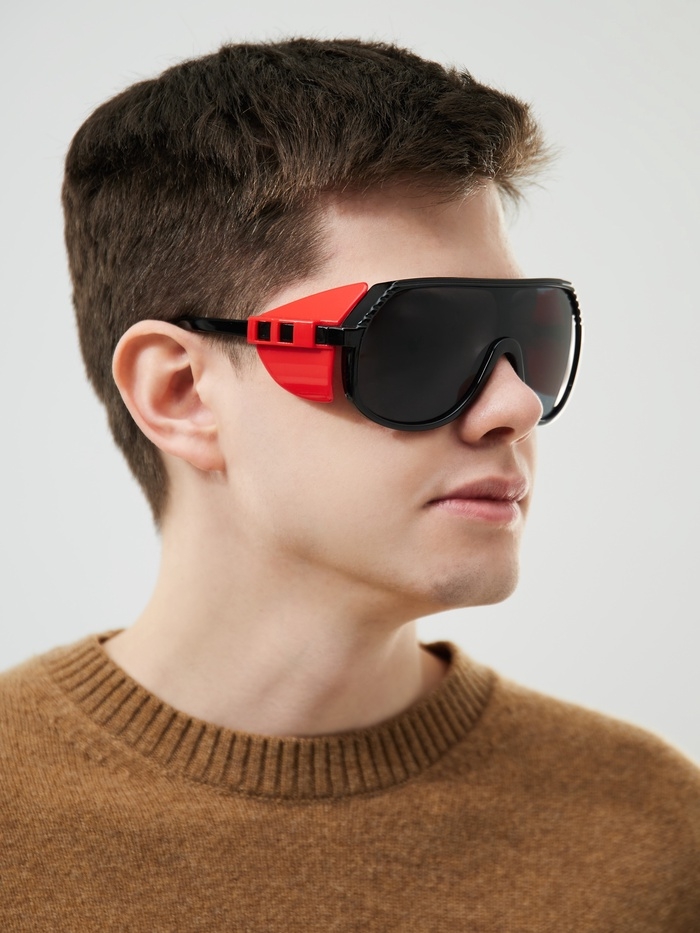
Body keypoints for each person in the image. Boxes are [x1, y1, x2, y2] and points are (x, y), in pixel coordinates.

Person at [1, 38, 698, 932]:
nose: (516, 405)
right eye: (419, 339)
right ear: (181, 394)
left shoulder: (652, 837)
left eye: (533, 335)